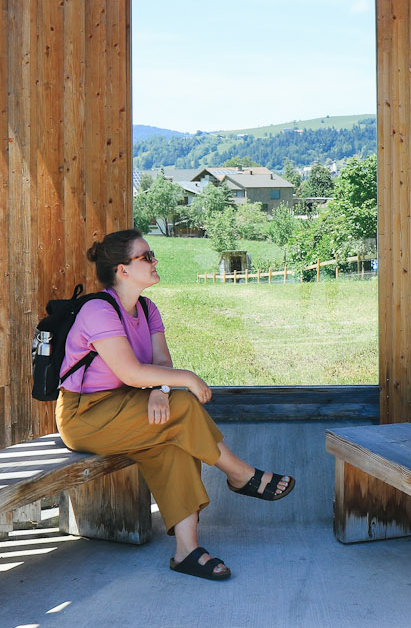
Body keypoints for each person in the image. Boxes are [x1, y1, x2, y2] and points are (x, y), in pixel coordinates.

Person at [55, 228, 294, 581]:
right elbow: (131, 370)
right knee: (182, 402)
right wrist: (184, 379)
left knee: (173, 440)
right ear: (123, 270)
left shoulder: (148, 308)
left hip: (128, 403)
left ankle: (186, 551)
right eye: (146, 257)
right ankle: (240, 474)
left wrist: (160, 389)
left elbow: (159, 364)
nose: (155, 262)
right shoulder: (98, 310)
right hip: (85, 415)